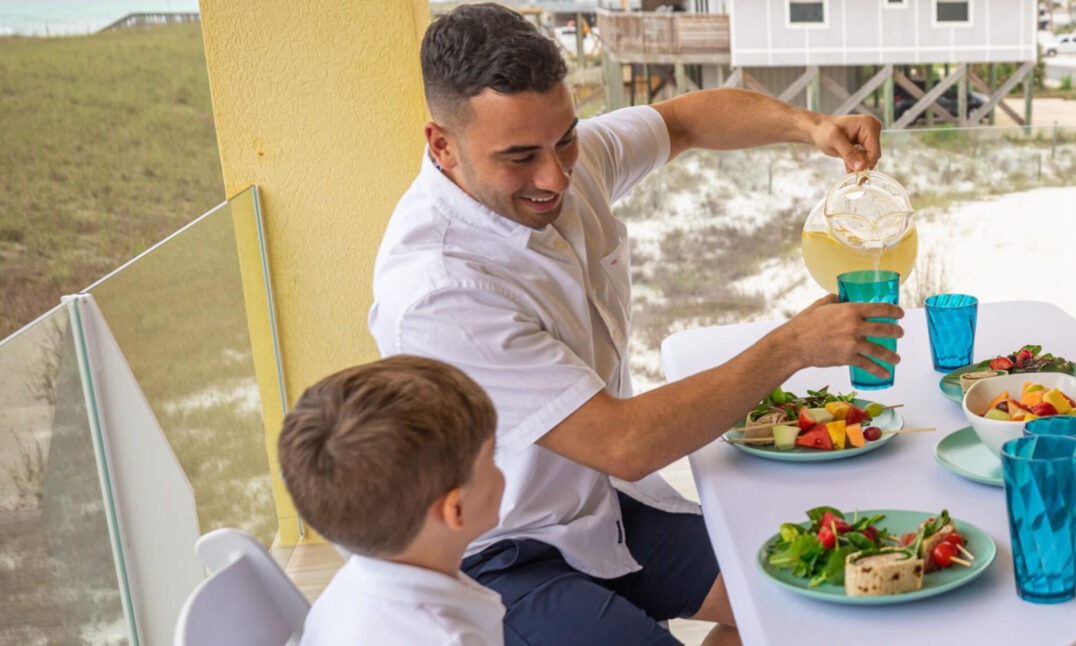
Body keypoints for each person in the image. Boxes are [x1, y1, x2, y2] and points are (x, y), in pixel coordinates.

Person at [367, 5, 903, 644]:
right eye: (520, 157)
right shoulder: (441, 288)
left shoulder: (565, 160)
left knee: (817, 597)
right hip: (497, 554)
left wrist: (810, 125)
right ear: (442, 145)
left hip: (600, 506)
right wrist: (791, 347)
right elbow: (626, 443)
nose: (556, 176)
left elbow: (684, 121)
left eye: (565, 139)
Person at [281, 356, 508, 646]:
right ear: (456, 510)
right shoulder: (447, 639)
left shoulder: (348, 588)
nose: (501, 469)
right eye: (492, 456)